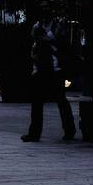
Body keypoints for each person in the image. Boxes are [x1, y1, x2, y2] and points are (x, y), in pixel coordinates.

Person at [21, 13, 76, 144]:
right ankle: (34, 133)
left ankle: (69, 130)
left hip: (55, 69)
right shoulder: (37, 26)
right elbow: (35, 46)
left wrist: (47, 40)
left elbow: (62, 43)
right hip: (40, 69)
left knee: (61, 100)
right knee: (37, 103)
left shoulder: (58, 24)